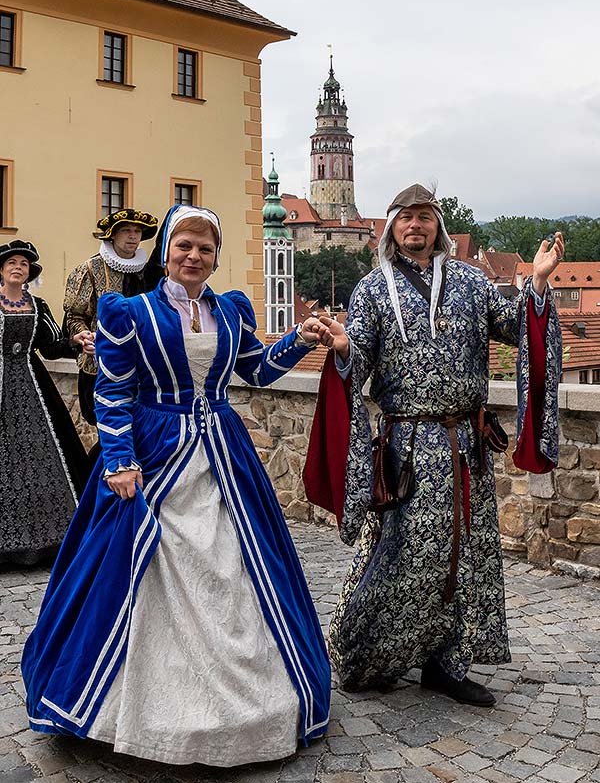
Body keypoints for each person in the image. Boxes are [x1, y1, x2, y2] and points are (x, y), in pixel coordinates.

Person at [22, 205, 331, 766]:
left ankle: (249, 700)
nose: (194, 256)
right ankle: (135, 707)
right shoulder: (130, 312)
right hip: (154, 451)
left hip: (221, 452)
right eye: (184, 245)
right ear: (166, 249)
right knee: (132, 570)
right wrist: (118, 459)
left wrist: (299, 336)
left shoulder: (231, 310)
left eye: (205, 248)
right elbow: (114, 392)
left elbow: (257, 370)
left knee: (240, 567)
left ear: (216, 257)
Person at [304, 183, 563, 706]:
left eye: (425, 217)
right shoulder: (373, 291)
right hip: (408, 444)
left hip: (465, 443)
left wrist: (536, 283)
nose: (416, 226)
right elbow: (358, 354)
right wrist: (344, 348)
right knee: (400, 553)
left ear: (437, 226)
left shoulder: (471, 282)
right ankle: (367, 654)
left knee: (464, 553)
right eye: (406, 218)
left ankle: (447, 662)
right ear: (392, 228)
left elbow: (516, 327)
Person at [0, 240, 91, 565]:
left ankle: (48, 544)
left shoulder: (37, 305)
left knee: (43, 457)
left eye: (23, 264)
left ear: (29, 272)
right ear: (1, 269)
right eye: (12, 262)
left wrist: (77, 342)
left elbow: (52, 347)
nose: (17, 267)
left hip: (31, 385)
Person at [63, 208, 159, 431]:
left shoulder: (149, 271)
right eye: (126, 230)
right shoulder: (90, 268)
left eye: (137, 231)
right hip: (99, 364)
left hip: (143, 362)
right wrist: (83, 336)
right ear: (112, 235)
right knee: (107, 425)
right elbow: (75, 314)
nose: (133, 236)